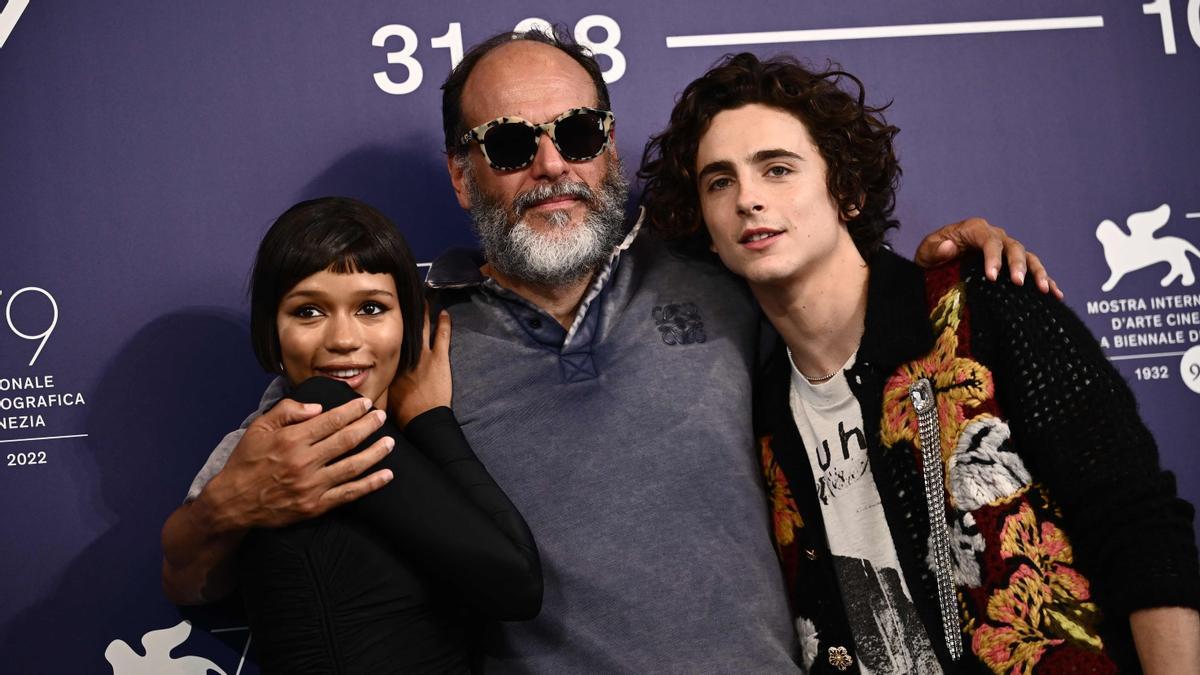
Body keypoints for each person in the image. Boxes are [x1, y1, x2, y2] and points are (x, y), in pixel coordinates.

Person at [163, 30, 1056, 671]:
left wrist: (959, 260)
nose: (553, 164)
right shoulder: (403, 335)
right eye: (511, 144)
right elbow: (192, 572)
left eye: (579, 134)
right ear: (461, 174)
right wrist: (227, 508)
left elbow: (855, 291)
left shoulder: (723, 272)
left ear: (611, 147)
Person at [639, 52, 1200, 673]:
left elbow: (1139, 525)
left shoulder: (983, 307)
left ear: (846, 191)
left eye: (777, 169)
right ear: (707, 226)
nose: (748, 199)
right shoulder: (755, 407)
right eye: (720, 181)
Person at [186, 196, 541, 673]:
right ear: (271, 330)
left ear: (408, 322)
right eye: (308, 312)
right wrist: (430, 419)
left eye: (371, 307)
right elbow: (515, 584)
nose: (343, 339)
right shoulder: (280, 438)